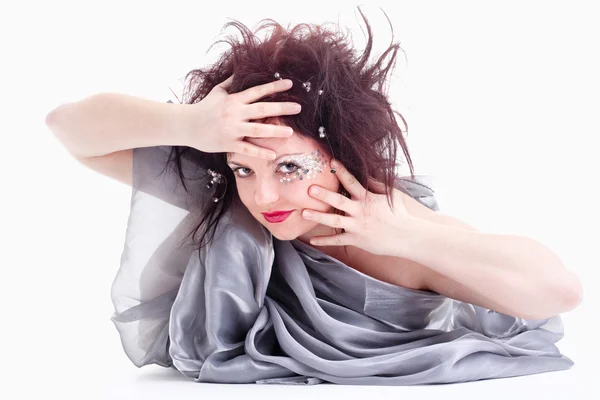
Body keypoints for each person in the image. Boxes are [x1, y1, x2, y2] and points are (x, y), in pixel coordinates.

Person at [46, 7, 582, 386]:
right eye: (243, 169)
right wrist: (190, 124)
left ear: (341, 153)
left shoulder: (394, 222)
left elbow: (560, 290)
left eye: (290, 166)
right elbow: (67, 127)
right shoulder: (227, 195)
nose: (265, 194)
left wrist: (409, 235)